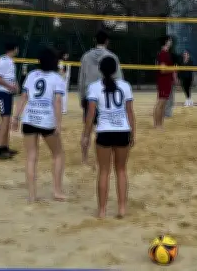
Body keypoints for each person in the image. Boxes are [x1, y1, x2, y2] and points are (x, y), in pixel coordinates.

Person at [81, 56, 136, 219]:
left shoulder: (94, 87)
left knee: (104, 171)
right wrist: (133, 133)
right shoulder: (125, 86)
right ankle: (122, 208)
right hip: (122, 131)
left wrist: (86, 135)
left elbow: (91, 114)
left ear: (100, 70)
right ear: (115, 69)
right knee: (121, 170)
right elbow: (130, 112)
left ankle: (102, 210)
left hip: (104, 132)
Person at [11, 48, 67, 203]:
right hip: (46, 120)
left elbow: (23, 97)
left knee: (31, 157)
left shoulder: (31, 75)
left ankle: (32, 195)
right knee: (58, 154)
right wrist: (58, 124)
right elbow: (57, 102)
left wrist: (15, 118)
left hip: (29, 119)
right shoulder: (57, 78)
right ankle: (57, 191)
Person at [78, 30, 123, 164]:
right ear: (107, 41)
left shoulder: (86, 57)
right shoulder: (112, 57)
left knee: (87, 129)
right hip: (106, 97)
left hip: (89, 96)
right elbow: (119, 79)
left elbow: (81, 79)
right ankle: (104, 157)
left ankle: (84, 157)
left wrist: (82, 97)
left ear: (95, 40)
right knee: (106, 129)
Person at [0, 42, 20, 160]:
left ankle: (4, 147)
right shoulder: (3, 60)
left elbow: (10, 78)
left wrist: (15, 86)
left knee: (6, 120)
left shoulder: (10, 61)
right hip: (1, 92)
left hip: (7, 93)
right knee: (4, 120)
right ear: (14, 49)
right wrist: (10, 86)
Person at [153, 35, 177, 128]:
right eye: (170, 40)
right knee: (160, 103)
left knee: (163, 104)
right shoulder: (163, 54)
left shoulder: (166, 53)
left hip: (167, 81)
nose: (171, 42)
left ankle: (160, 124)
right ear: (166, 42)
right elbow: (163, 70)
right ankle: (157, 124)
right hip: (163, 81)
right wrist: (173, 69)